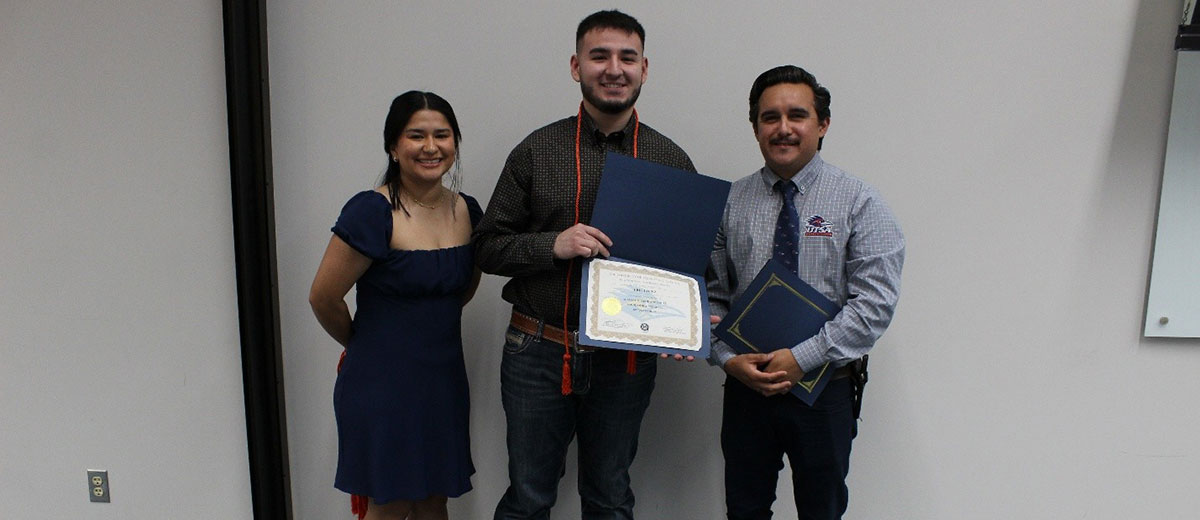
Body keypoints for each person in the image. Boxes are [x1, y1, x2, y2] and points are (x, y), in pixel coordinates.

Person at [473, 9, 695, 520]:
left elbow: (688, 266)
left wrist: (686, 323)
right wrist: (552, 244)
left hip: (626, 359)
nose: (614, 68)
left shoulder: (670, 160)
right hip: (538, 349)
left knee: (610, 497)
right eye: (600, 56)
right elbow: (486, 247)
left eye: (627, 57)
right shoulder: (536, 151)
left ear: (645, 69)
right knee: (528, 497)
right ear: (576, 66)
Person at [707, 65, 905, 519]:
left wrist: (803, 357)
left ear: (823, 124)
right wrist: (725, 359)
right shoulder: (729, 203)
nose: (783, 128)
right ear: (755, 126)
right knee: (744, 510)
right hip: (745, 388)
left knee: (822, 511)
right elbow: (712, 296)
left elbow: (873, 306)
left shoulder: (861, 202)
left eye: (797, 115)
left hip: (825, 390)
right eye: (769, 117)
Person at [309, 91, 482, 520]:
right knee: (392, 504)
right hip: (381, 383)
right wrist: (364, 343)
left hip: (443, 381)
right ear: (393, 145)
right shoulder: (371, 211)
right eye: (416, 135)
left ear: (455, 143)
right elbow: (323, 297)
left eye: (442, 135)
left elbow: (461, 289)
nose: (430, 147)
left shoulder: (469, 211)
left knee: (434, 500)